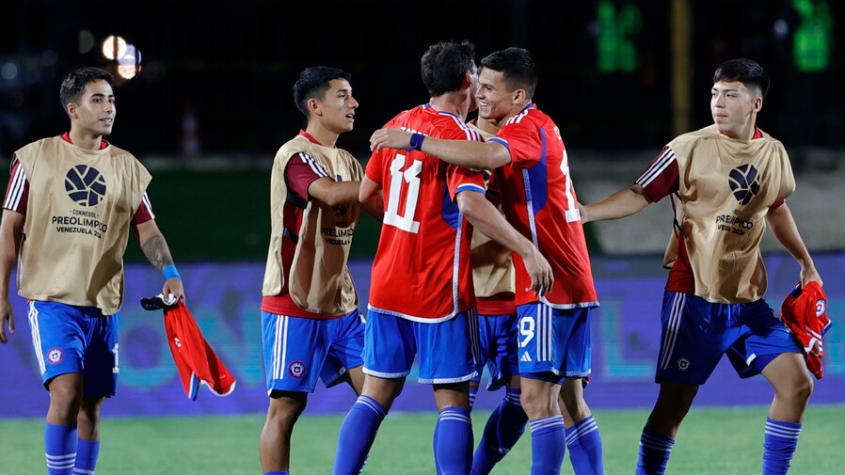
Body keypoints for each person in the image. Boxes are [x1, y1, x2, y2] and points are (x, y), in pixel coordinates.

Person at [579, 58, 822, 475]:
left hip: (747, 301)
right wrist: (586, 212)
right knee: (672, 409)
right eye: (714, 94)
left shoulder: (773, 154)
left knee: (798, 384)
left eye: (731, 95)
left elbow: (776, 209)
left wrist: (806, 263)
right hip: (693, 297)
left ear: (755, 104)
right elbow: (640, 194)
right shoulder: (687, 147)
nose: (718, 103)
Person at [369, 47, 602, 475]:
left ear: (516, 95)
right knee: (534, 399)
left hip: (526, 288)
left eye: (489, 87)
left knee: (531, 401)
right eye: (480, 84)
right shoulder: (471, 134)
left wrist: (417, 141)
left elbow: (477, 192)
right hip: (473, 295)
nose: (480, 94)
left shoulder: (514, 133)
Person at [332, 41, 552, 475]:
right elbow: (470, 203)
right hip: (438, 287)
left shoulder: (397, 123)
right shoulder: (461, 137)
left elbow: (365, 195)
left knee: (374, 394)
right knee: (452, 401)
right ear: (468, 80)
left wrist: (404, 221)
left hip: (386, 283)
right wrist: (526, 248)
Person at [0, 66, 185, 475]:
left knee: (91, 405)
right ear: (73, 109)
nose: (108, 108)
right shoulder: (35, 158)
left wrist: (169, 269)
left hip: (102, 305)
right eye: (97, 99)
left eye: (112, 99)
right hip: (52, 300)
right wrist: (0, 295)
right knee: (66, 392)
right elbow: (8, 228)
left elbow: (148, 231)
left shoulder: (126, 167)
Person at [258, 66, 375, 475]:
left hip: (340, 303)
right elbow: (325, 193)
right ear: (315, 106)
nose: (353, 103)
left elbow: (385, 209)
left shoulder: (348, 161)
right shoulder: (294, 155)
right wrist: (386, 178)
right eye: (342, 96)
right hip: (294, 300)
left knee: (376, 394)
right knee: (286, 408)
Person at [463, 115, 528, 475]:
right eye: (479, 87)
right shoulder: (457, 144)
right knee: (456, 408)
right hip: (467, 302)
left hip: (515, 301)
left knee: (523, 401)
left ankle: (478, 470)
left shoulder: (524, 142)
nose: (482, 95)